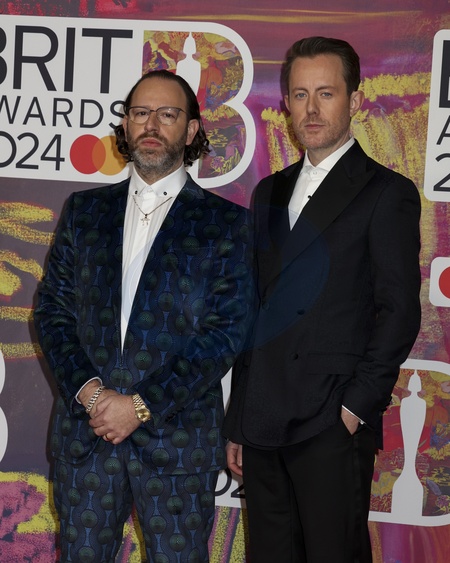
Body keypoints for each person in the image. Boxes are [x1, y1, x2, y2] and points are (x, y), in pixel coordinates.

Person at [34, 69, 253, 562]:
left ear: (191, 130)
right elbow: (52, 311)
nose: (151, 125)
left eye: (167, 114)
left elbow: (224, 335)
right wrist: (93, 396)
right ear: (126, 124)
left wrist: (138, 406)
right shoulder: (85, 212)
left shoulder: (226, 223)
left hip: (178, 445)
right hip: (87, 437)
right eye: (140, 113)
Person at [224, 36, 421, 563]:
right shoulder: (268, 191)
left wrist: (353, 409)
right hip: (262, 420)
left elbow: (400, 312)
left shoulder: (386, 193)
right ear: (286, 103)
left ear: (354, 100)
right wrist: (238, 419)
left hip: (330, 420)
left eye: (326, 93)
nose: (311, 109)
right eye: (300, 94)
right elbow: (255, 312)